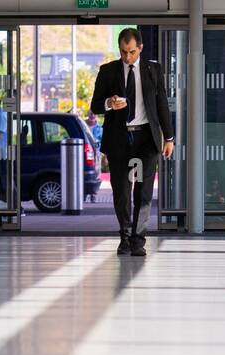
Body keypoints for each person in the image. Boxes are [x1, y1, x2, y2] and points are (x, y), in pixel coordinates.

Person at [89, 28, 174, 256]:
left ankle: (138, 239)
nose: (128, 57)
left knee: (144, 192)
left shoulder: (152, 70)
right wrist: (109, 102)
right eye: (124, 52)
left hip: (146, 138)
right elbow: (95, 105)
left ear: (141, 48)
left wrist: (169, 137)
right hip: (119, 139)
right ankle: (125, 236)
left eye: (132, 52)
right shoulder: (108, 71)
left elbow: (162, 105)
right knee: (122, 192)